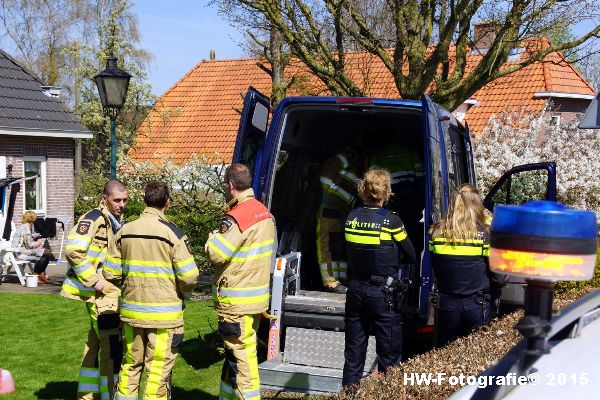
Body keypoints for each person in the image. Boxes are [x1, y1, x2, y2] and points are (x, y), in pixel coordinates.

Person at [103, 181, 199, 400]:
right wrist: (181, 293)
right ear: (167, 202)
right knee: (157, 372)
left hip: (131, 315)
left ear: (145, 200)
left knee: (130, 365)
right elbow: (190, 276)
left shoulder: (124, 231)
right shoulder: (173, 234)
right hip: (164, 318)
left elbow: (110, 273)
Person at [205, 163, 276, 400]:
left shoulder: (237, 216)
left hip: (236, 302)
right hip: (254, 300)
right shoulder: (263, 212)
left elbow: (217, 254)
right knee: (235, 355)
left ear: (231, 185)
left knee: (242, 360)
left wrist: (212, 238)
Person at [342, 168, 416, 388]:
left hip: (355, 291)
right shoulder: (391, 221)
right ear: (386, 192)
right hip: (383, 294)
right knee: (389, 356)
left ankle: (348, 395)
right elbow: (411, 254)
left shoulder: (351, 217)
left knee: (353, 356)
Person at [61, 179, 128, 400]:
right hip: (98, 294)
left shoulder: (113, 220)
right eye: (116, 200)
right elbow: (72, 250)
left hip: (103, 294)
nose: (121, 204)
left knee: (95, 344)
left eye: (125, 200)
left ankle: (87, 395)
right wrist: (94, 280)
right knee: (111, 347)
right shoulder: (94, 219)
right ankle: (110, 395)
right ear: (104, 199)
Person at [429, 184, 496, 347]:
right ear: (476, 204)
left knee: (444, 360)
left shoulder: (436, 232)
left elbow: (435, 266)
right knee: (475, 360)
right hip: (477, 305)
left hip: (446, 305)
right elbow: (496, 273)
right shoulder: (485, 234)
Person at [317, 147, 367, 293]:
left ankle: (340, 280)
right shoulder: (348, 158)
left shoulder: (361, 160)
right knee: (327, 244)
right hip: (332, 206)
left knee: (338, 244)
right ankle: (331, 281)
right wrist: (344, 197)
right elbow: (324, 179)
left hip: (343, 209)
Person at [12, 211, 53, 283]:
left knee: (46, 253)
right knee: (47, 252)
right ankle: (36, 274)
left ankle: (40, 275)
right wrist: (38, 243)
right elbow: (29, 245)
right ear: (32, 218)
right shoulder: (26, 228)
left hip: (23, 251)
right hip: (20, 253)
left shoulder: (26, 226)